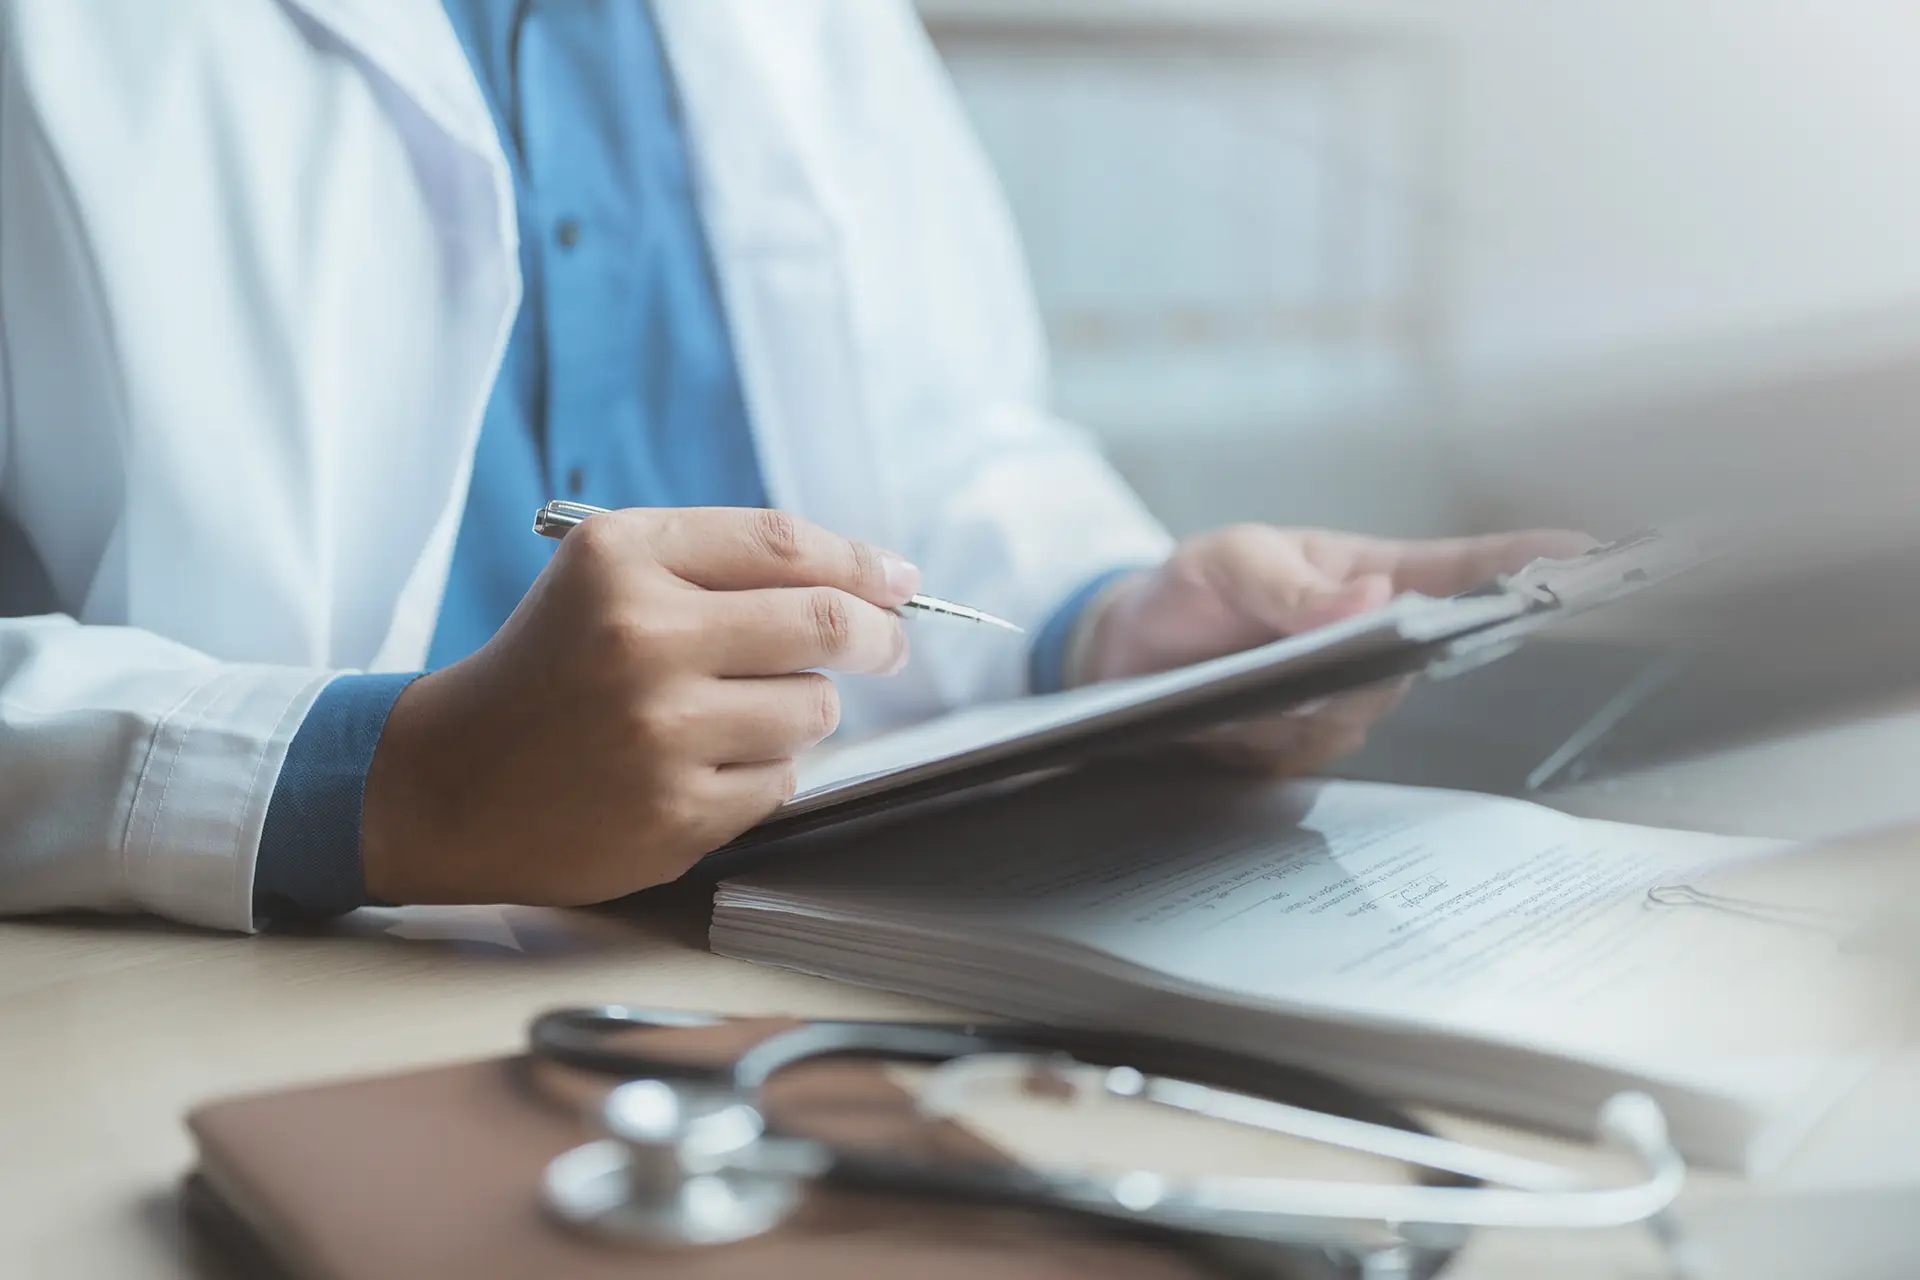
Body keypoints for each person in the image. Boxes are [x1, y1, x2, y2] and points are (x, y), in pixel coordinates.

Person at [0, 0, 1576, 931]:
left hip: (786, 956)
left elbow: (944, 431)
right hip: (214, 986)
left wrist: (1105, 627)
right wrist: (387, 783)